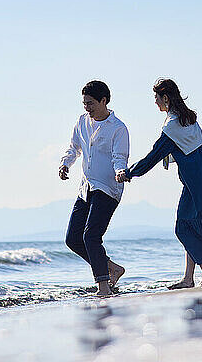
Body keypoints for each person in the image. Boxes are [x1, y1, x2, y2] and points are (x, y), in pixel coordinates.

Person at [116, 79, 202, 289]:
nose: (155, 102)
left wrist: (129, 173)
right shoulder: (188, 120)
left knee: (184, 228)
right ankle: (189, 278)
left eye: (156, 98)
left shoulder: (173, 126)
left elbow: (154, 156)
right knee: (191, 226)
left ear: (165, 98)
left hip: (196, 186)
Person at [59, 80, 129, 296]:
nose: (87, 107)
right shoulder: (82, 121)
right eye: (84, 103)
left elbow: (120, 156)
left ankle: (103, 287)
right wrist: (65, 163)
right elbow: (74, 147)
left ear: (104, 101)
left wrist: (120, 170)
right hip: (86, 187)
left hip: (108, 188)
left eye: (90, 103)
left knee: (91, 236)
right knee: (72, 239)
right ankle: (112, 268)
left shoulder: (118, 128)